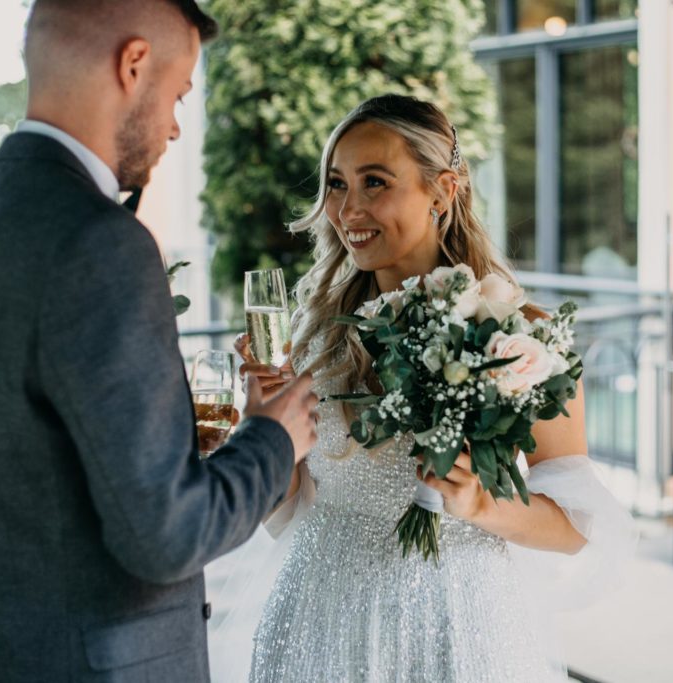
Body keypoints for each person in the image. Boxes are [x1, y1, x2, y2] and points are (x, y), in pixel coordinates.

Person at [0, 1, 318, 680]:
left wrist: (133, 444)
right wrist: (275, 436)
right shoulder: (102, 243)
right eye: (178, 94)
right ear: (133, 63)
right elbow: (168, 536)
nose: (177, 126)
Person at [234, 95, 636, 682]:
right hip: (318, 616)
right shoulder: (314, 330)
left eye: (375, 182)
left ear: (442, 192)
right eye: (337, 184)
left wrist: (480, 504)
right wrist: (261, 428)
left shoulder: (521, 336)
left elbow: (577, 527)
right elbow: (292, 508)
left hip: (459, 622)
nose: (348, 209)